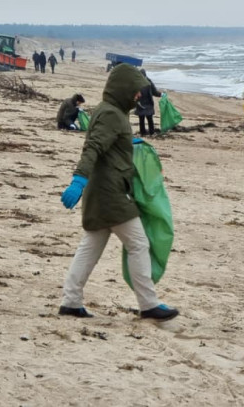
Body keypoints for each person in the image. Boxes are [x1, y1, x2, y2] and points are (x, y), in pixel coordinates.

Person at [58, 64, 179, 321]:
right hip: (110, 192)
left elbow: (108, 142)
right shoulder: (112, 114)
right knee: (138, 244)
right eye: (135, 91)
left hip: (101, 192)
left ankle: (70, 301)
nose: (138, 96)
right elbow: (93, 147)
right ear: (123, 88)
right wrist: (78, 180)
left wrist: (128, 143)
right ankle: (149, 304)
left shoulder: (110, 111)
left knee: (90, 246)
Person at [135, 69, 162, 136]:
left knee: (145, 119)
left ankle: (145, 132)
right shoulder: (148, 82)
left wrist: (161, 94)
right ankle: (149, 132)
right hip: (142, 103)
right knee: (147, 119)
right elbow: (154, 92)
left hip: (145, 103)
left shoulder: (138, 82)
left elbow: (154, 92)